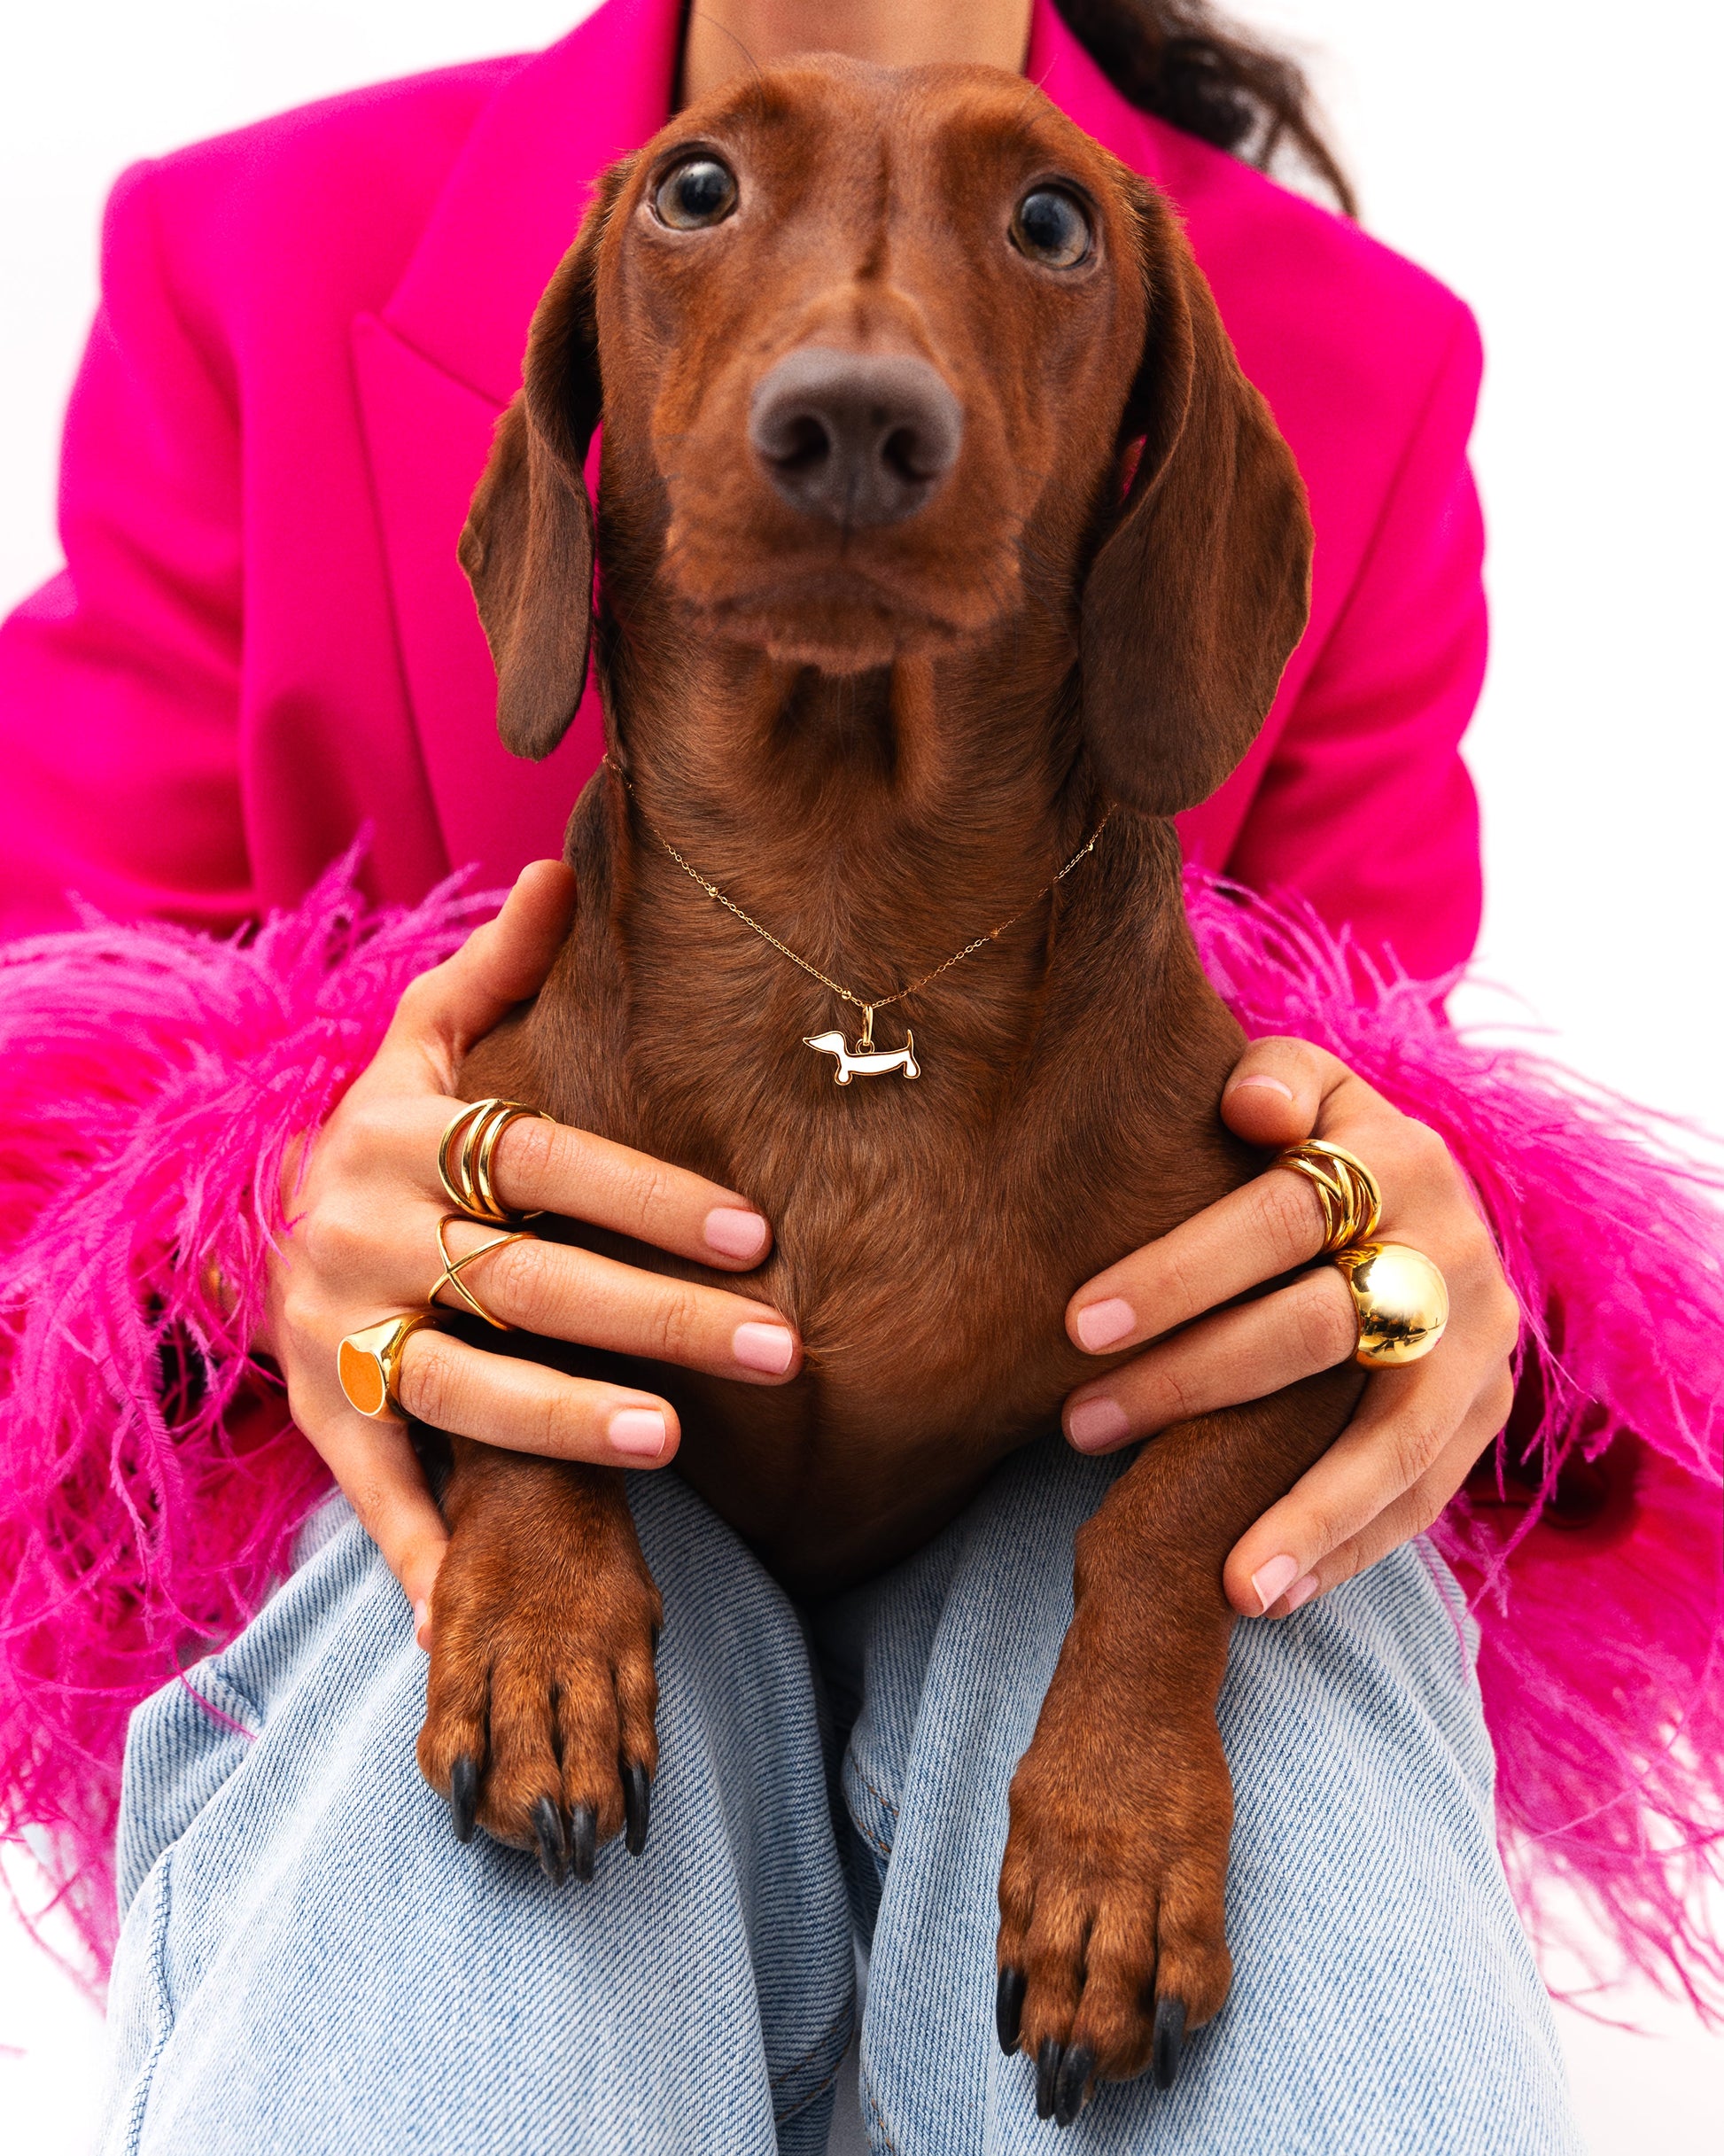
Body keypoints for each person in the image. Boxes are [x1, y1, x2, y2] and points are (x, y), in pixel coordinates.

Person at [0, 1, 1580, 2149]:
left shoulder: (1346, 354)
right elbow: (47, 1056)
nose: (865, 392)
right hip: (509, 1449)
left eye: (1035, 232)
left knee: (1286, 1672)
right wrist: (278, 1214)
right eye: (704, 205)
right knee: (445, 1731)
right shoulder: (252, 250)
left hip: (1087, 1460)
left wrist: (1425, 1279)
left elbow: (1389, 1115)